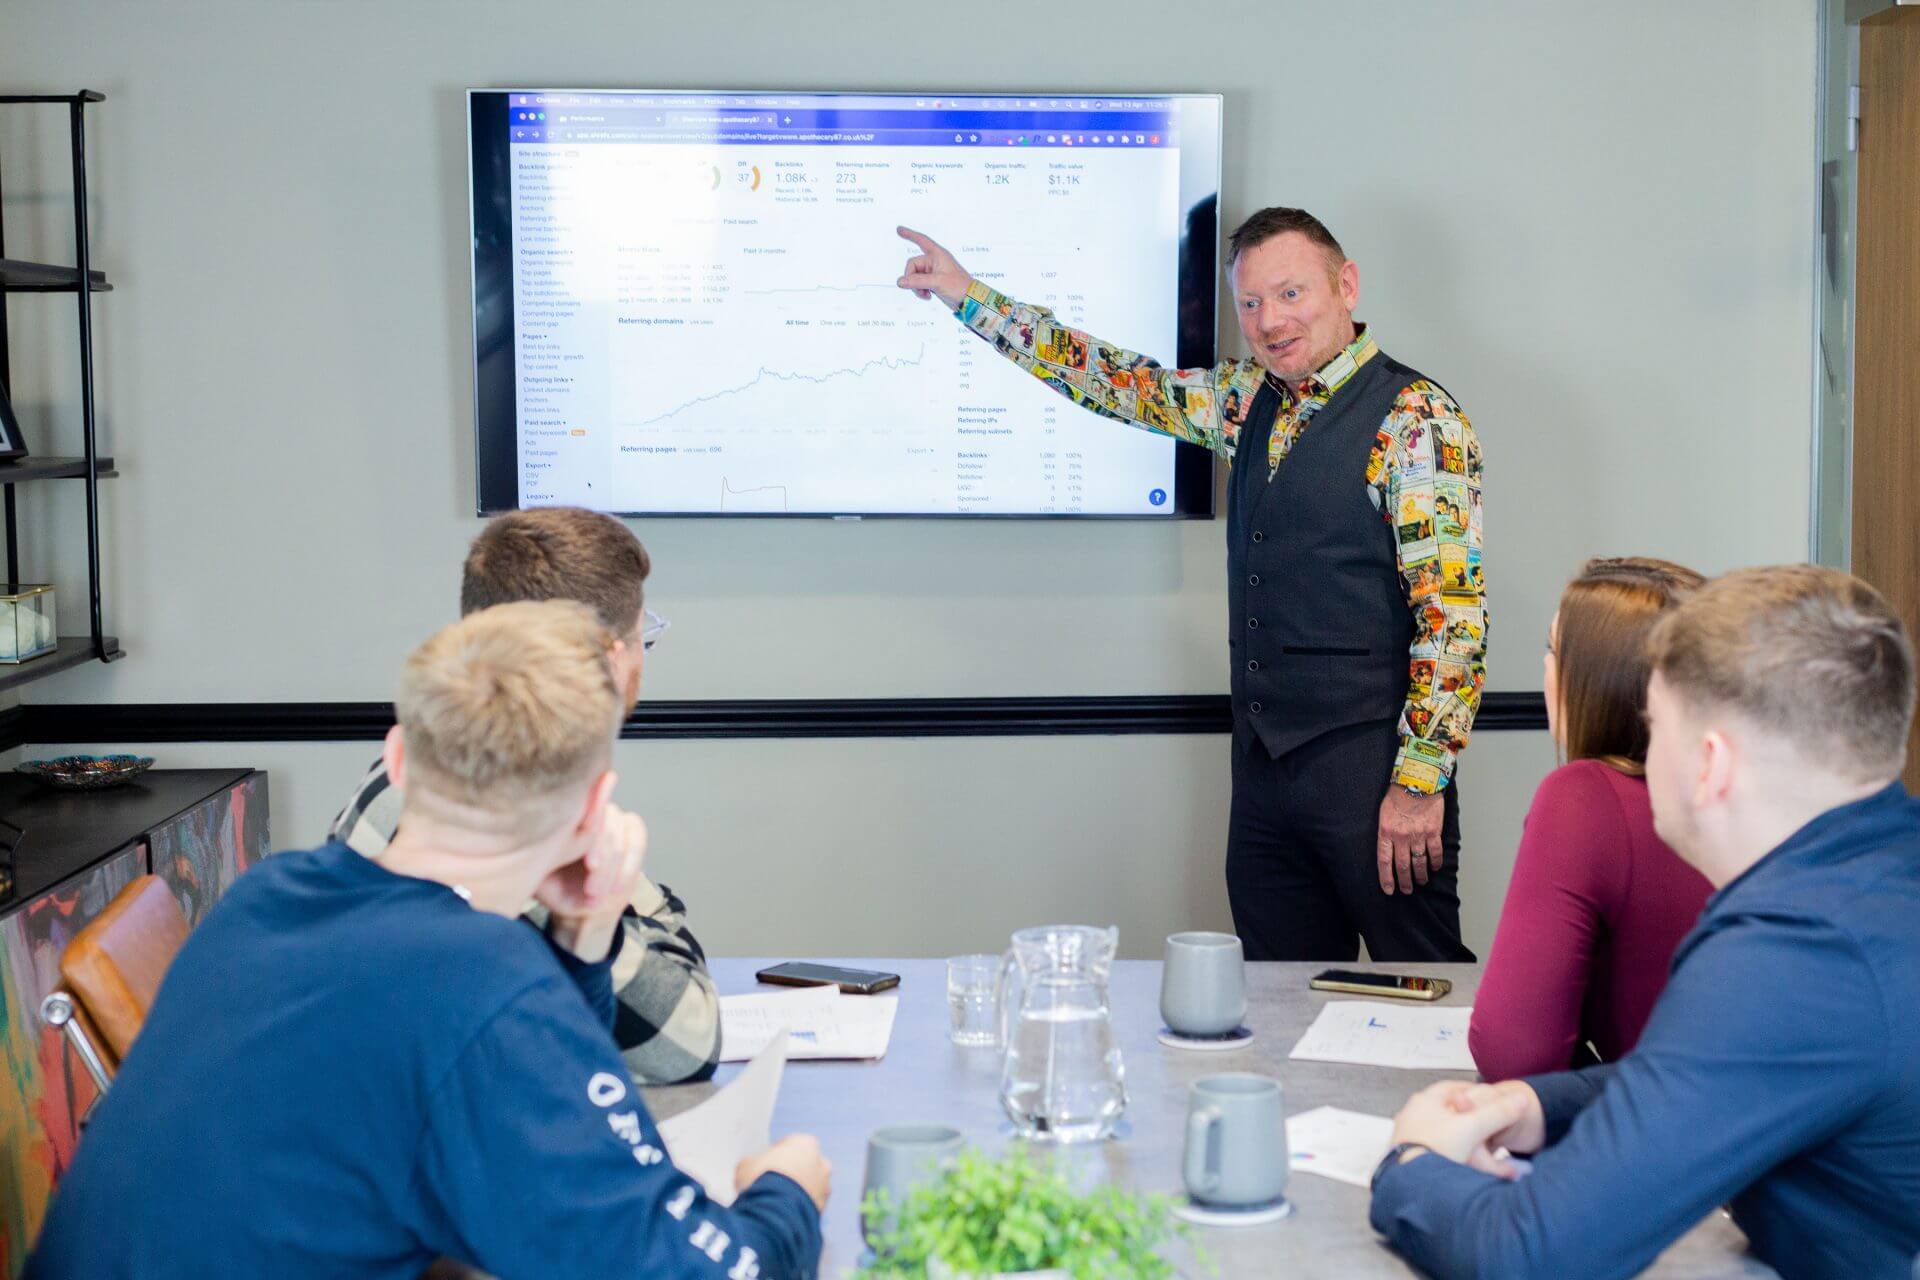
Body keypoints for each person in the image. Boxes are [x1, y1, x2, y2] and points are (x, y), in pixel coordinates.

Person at [27, 601, 829, 1279]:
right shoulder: (485, 990)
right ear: (592, 810)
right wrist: (787, 1192)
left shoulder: (271, 898)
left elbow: (521, 1093)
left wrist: (579, 946)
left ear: (398, 757)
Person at [896, 209, 1487, 962]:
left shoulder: (1416, 419)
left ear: (1346, 286)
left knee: (1423, 996)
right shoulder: (1244, 400)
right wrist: (966, 293)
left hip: (1374, 778)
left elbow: (1454, 619)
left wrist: (1419, 783)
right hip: (1265, 780)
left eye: (1291, 294)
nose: (1270, 322)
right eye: (1250, 304)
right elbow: (1112, 382)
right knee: (1277, 1005)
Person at [1371, 565, 1920, 1279]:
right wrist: (1534, 1103)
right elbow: (1727, 1068)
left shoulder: (1796, 956)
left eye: (1657, 727)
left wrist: (1410, 1161)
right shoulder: (1873, 879)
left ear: (1709, 764)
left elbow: (1532, 1252)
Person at [329, 506, 720, 1084]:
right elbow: (688, 1043)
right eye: (644, 637)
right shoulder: (508, 824)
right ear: (610, 663)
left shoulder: (264, 900)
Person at [1468, 557, 1713, 1080]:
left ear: (1600, 680)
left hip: (1678, 1137)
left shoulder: (1584, 798)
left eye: (1554, 649)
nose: (1545, 666)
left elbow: (1511, 1054)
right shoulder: (1739, 795)